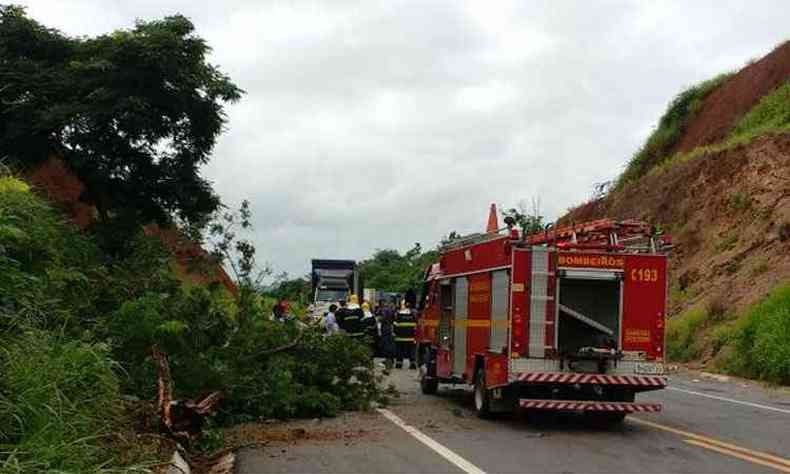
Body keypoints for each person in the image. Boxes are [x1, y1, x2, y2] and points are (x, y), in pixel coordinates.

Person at [393, 300, 417, 369]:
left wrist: (395, 333)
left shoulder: (398, 315)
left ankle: (399, 364)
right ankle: (412, 364)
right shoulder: (412, 315)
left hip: (400, 337)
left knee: (399, 351)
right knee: (411, 351)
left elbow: (395, 325)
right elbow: (415, 326)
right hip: (410, 337)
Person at [378, 302, 397, 374]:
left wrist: (380, 319)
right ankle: (390, 361)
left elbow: (382, 319)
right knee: (390, 345)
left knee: (387, 346)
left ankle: (388, 363)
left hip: (386, 330)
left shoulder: (385, 313)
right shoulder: (392, 315)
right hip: (389, 330)